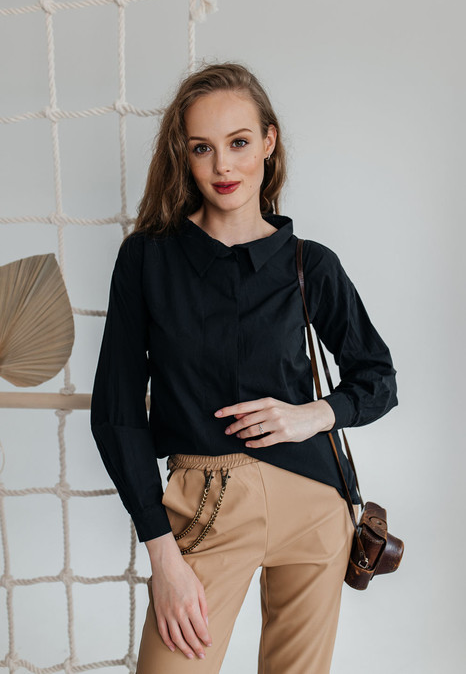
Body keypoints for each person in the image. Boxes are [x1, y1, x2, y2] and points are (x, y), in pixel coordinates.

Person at [90, 61, 398, 673]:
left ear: (268, 142)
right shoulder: (148, 260)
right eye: (202, 148)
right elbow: (117, 413)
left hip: (316, 506)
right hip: (206, 505)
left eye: (238, 142)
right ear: (184, 156)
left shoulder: (311, 264)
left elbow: (378, 378)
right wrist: (162, 555)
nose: (222, 167)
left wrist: (313, 414)